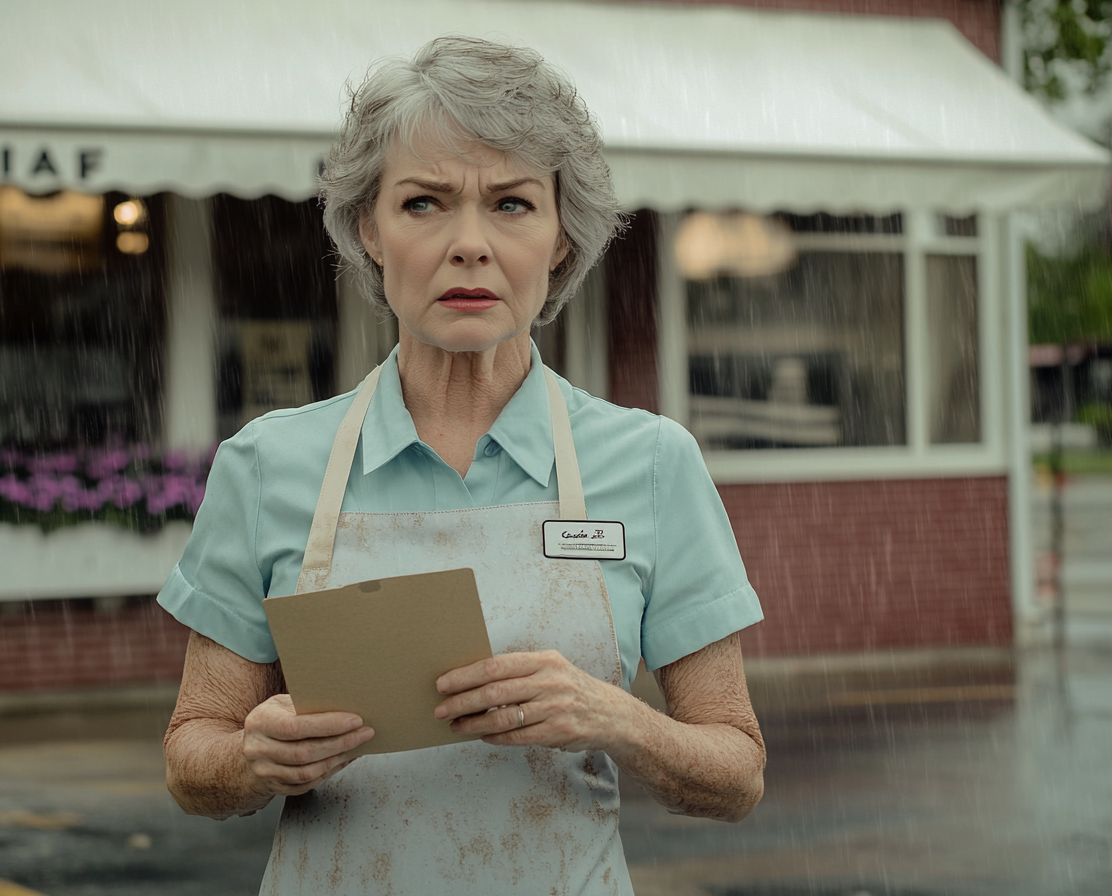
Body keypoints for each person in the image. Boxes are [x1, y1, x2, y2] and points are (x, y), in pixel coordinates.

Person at [159, 35, 766, 895]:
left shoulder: (655, 464)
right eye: (424, 203)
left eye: (512, 204)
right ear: (369, 228)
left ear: (562, 237)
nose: (469, 244)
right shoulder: (266, 465)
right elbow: (193, 758)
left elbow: (736, 771)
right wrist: (253, 758)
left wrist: (615, 719)